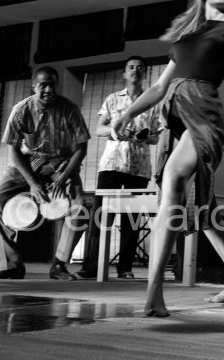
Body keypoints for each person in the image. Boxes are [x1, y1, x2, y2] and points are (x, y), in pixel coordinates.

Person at [112, 0, 224, 317]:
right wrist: (126, 113)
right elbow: (158, 87)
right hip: (173, 116)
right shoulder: (185, 38)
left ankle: (154, 293)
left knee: (173, 178)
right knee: (207, 209)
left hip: (204, 116)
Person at [0, 66, 90, 280]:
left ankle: (59, 265)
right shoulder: (21, 109)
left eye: (52, 84)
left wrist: (64, 176)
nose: (48, 89)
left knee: (80, 205)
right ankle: (11, 265)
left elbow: (81, 148)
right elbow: (13, 150)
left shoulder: (69, 109)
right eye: (43, 85)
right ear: (34, 86)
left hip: (61, 165)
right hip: (28, 163)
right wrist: (32, 183)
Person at [75, 56, 161, 280]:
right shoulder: (112, 99)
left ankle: (125, 268)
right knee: (101, 216)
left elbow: (155, 137)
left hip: (139, 168)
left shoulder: (151, 102)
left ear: (145, 74)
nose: (136, 71)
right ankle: (90, 267)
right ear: (124, 73)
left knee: (131, 221)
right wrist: (115, 130)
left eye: (140, 68)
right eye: (131, 68)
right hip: (111, 165)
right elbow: (99, 129)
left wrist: (147, 136)